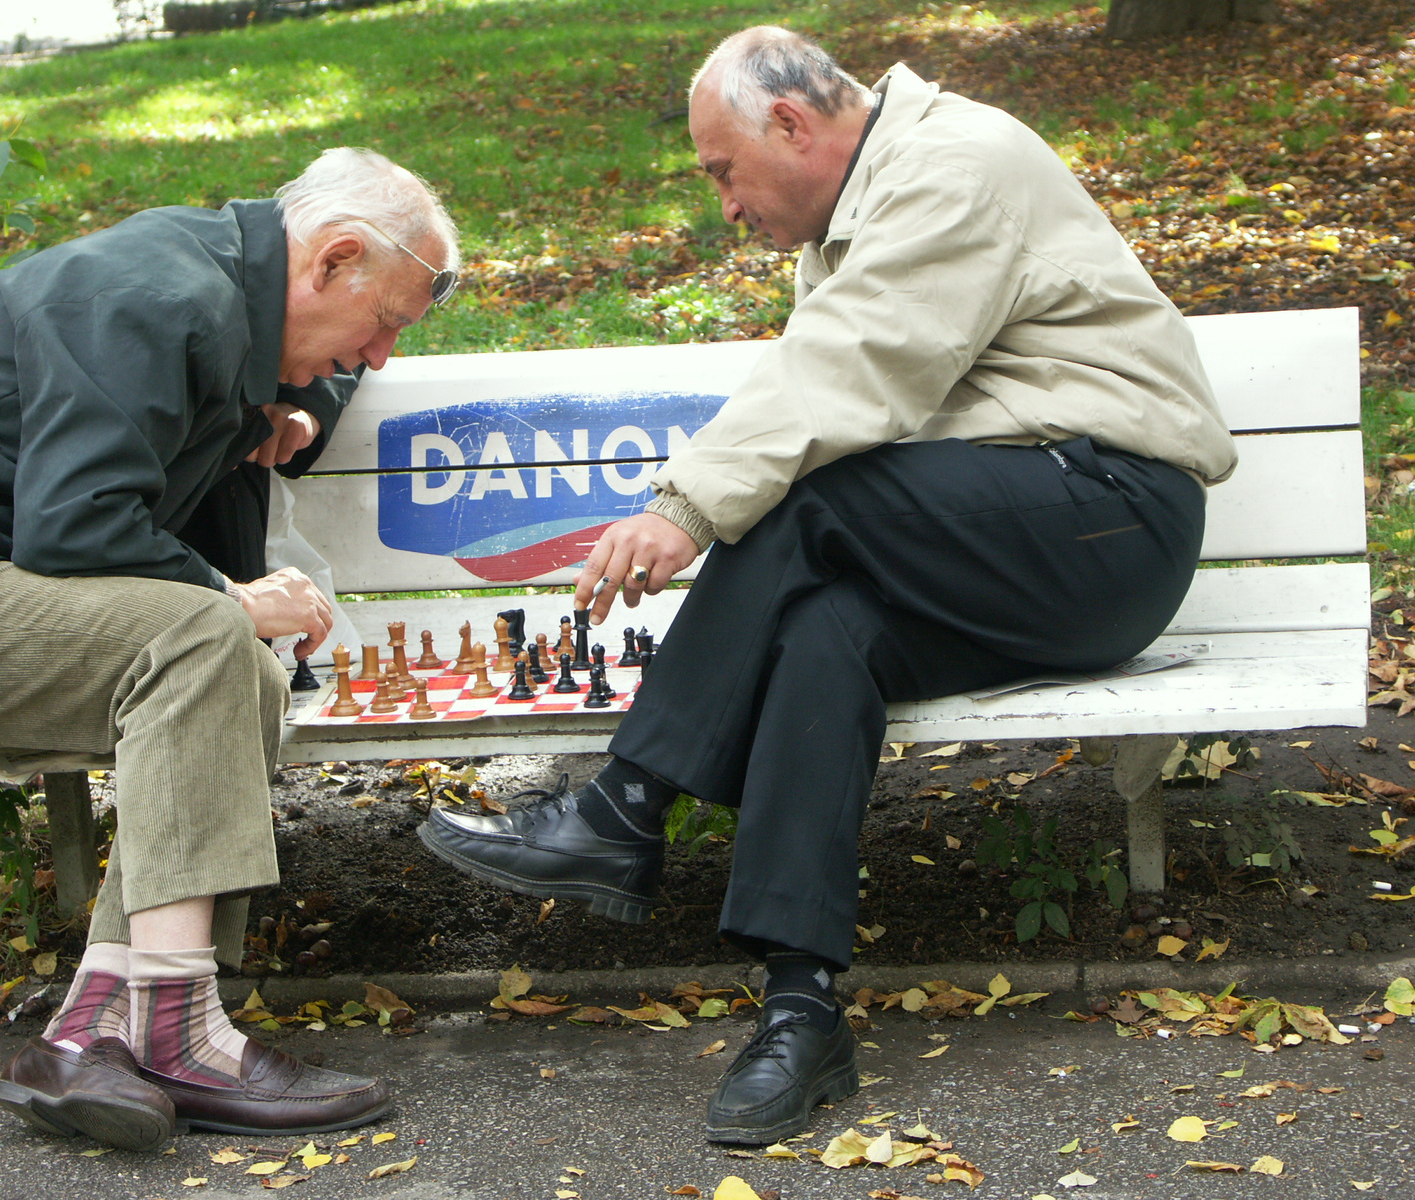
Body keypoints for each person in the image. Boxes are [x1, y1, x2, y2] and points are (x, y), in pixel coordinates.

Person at [418, 26, 1237, 1146]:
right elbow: (856, 397)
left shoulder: (953, 166)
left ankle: (623, 807)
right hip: (1007, 541)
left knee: (806, 503)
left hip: (1107, 519)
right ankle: (802, 1010)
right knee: (825, 632)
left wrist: (683, 507)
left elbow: (851, 364)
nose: (724, 204)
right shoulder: (867, 207)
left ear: (792, 126)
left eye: (721, 171)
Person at [0, 147, 459, 1151]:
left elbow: (301, 367)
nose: (379, 357)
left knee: (232, 661)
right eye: (383, 326)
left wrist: (286, 406)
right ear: (331, 262)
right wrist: (232, 593)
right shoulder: (152, 295)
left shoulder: (231, 298)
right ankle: (173, 1029)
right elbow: (73, 526)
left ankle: (92, 1035)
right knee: (209, 635)